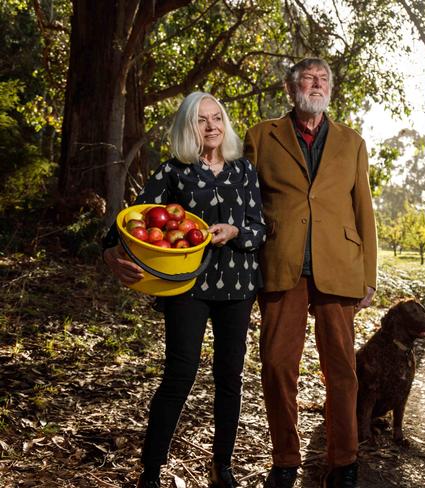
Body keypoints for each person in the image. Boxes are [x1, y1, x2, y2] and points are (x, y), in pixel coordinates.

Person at [102, 92, 265, 488]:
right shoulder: (173, 171)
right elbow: (129, 221)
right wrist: (110, 256)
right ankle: (151, 473)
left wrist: (236, 231)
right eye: (201, 120)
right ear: (188, 127)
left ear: (225, 124)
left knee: (230, 377)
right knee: (179, 376)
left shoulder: (243, 171)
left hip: (238, 286)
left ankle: (221, 467)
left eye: (217, 118)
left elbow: (260, 228)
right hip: (186, 286)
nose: (211, 126)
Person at [244, 58, 377, 488]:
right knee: (278, 365)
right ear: (291, 87)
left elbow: (364, 211)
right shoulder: (261, 137)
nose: (316, 84)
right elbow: (245, 203)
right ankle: (285, 459)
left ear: (330, 90)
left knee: (341, 369)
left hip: (339, 266)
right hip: (281, 264)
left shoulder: (352, 142)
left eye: (323, 79)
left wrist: (369, 275)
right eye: (308, 78)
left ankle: (344, 461)